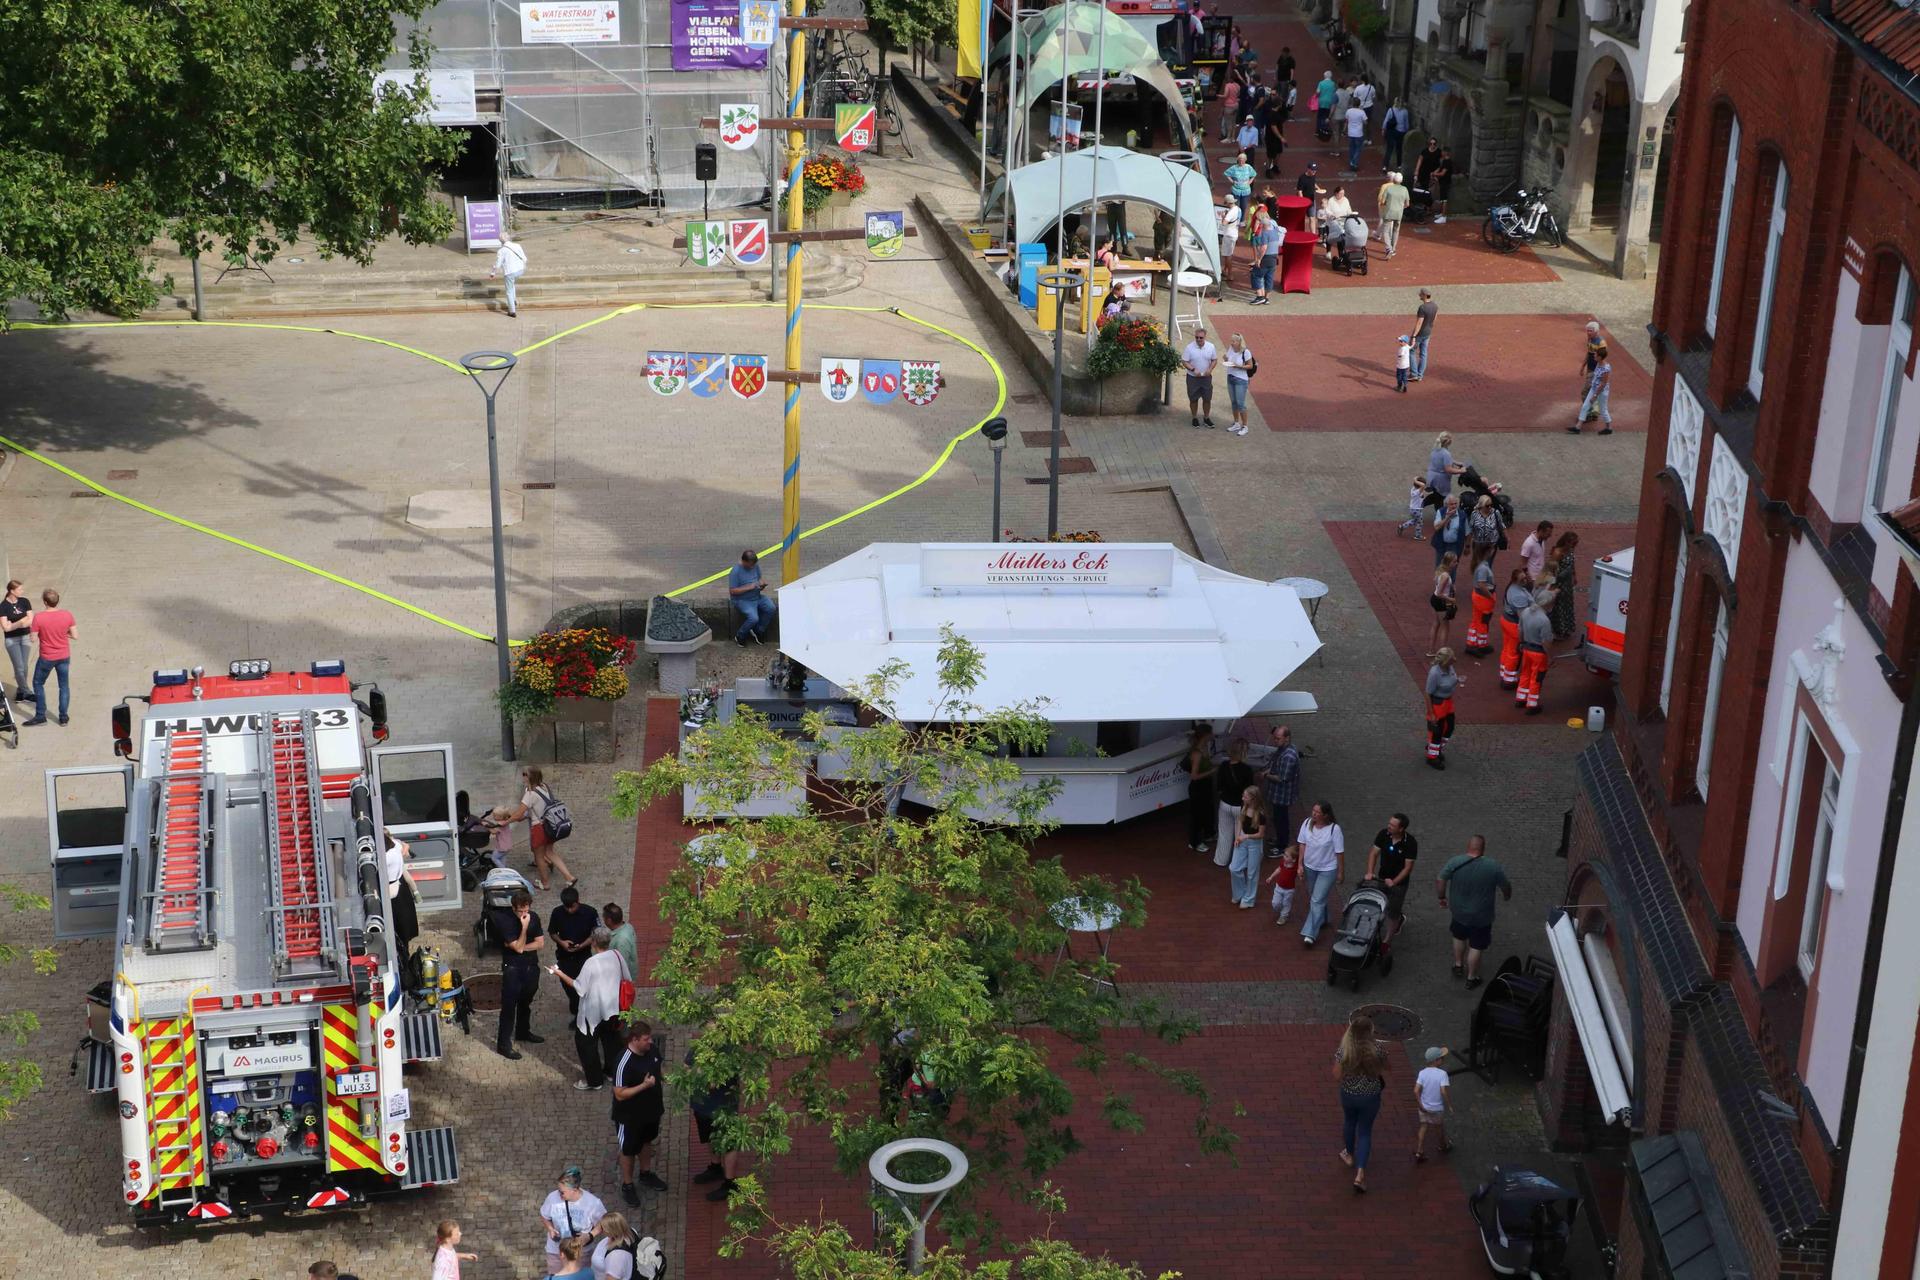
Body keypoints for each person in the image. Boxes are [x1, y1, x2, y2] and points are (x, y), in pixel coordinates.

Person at [553, 927, 627, 1090]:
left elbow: (579, 987)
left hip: (593, 1013)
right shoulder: (617, 956)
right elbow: (626, 978)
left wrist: (558, 973)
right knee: (611, 1042)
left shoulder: (591, 963)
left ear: (593, 942)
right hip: (613, 1008)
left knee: (586, 1046)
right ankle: (612, 1072)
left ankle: (594, 1081)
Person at [1437, 835, 1512, 988]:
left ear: (1468, 847)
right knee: (1476, 946)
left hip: (1459, 912)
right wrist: (1506, 896)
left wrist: (1442, 897)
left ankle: (1458, 965)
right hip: (1481, 915)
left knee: (1458, 937)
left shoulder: (1455, 862)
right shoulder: (1493, 866)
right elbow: (1505, 885)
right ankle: (1472, 978)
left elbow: (1440, 879)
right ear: (1483, 848)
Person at [612, 1021, 668, 1205]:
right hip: (629, 1117)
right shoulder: (624, 1061)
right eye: (646, 1039)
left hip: (651, 1111)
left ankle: (646, 1173)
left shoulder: (651, 1051)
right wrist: (644, 1086)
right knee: (628, 1150)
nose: (650, 1042)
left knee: (647, 1141)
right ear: (634, 1040)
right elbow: (619, 1094)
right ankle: (627, 1185)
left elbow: (659, 1070)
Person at [1333, 1012, 1389, 1192]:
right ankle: (1360, 1174)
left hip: (1349, 1094)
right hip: (1371, 1096)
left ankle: (1349, 1154)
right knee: (1365, 1131)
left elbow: (1336, 1076)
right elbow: (1387, 1067)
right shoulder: (1377, 1049)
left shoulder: (1344, 1051)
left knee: (1349, 1122)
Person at [493, 887, 547, 1059]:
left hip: (531, 966)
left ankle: (523, 1031)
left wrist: (521, 947)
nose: (524, 913)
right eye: (520, 910)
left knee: (526, 1001)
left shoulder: (534, 917)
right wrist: (524, 928)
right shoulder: (504, 920)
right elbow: (515, 946)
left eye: (526, 909)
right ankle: (504, 1044)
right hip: (513, 968)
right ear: (513, 908)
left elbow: (539, 943)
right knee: (509, 1007)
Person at [689, 1046, 747, 1202]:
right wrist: (697, 1074)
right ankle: (715, 1168)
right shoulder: (701, 1045)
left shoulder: (729, 1053)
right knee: (711, 1137)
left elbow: (711, 1084)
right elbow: (686, 1067)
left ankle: (730, 1183)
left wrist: (695, 1073)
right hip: (703, 1106)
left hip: (723, 1108)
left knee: (728, 1143)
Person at [509, 766, 577, 891]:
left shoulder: (530, 794)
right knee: (550, 852)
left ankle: (544, 883)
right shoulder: (544, 787)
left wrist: (506, 821)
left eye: (524, 774)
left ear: (529, 777)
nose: (522, 776)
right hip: (550, 825)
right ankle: (569, 877)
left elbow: (519, 813)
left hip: (539, 828)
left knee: (539, 856)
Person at [1293, 800, 1345, 947]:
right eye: (1313, 811)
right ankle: (1325, 917)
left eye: (1317, 812)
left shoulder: (1334, 830)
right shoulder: (1306, 823)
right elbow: (1302, 844)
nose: (1314, 814)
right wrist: (1300, 865)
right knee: (1315, 896)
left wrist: (1341, 872)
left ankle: (1310, 933)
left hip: (1327, 869)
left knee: (1316, 899)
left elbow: (1339, 852)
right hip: (1310, 867)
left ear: (1326, 815)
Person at [540, 1167, 607, 1275]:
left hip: (581, 1253)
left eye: (562, 1192)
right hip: (556, 1250)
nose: (559, 1195)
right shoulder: (552, 1198)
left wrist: (590, 1235)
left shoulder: (593, 1203)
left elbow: (604, 1223)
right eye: (558, 1190)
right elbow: (544, 1216)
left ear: (575, 1190)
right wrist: (550, 1229)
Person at [1364, 814, 1418, 948]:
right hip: (1381, 878)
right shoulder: (1383, 834)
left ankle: (1386, 941)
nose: (1389, 826)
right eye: (1389, 823)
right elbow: (1374, 853)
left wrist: (1394, 882)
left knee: (1392, 912)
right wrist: (1370, 872)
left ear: (1401, 829)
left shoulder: (1410, 843)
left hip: (1398, 884)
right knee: (1378, 905)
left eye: (1392, 825)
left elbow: (1408, 868)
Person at [23, 588, 74, 726]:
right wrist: (63, 634)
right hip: (64, 655)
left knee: (38, 683)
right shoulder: (67, 615)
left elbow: (33, 639)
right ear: (57, 601)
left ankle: (40, 715)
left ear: (45, 602)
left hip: (47, 657)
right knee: (64, 686)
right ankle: (63, 717)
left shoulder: (39, 617)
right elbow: (75, 635)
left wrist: (38, 633)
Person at [548, 887, 600, 1018]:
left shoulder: (590, 912)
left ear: (578, 901)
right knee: (568, 986)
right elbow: (552, 932)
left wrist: (581, 945)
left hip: (583, 956)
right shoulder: (557, 913)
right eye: (567, 907)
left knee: (585, 986)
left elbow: (595, 934)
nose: (570, 910)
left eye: (572, 907)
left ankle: (583, 1012)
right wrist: (562, 942)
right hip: (565, 956)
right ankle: (576, 1008)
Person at [1259, 724, 1300, 860]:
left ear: (1286, 738)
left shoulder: (1288, 756)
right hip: (1278, 794)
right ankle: (1280, 840)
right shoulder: (1284, 749)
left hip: (1282, 795)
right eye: (1275, 738)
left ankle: (1282, 846)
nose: (1275, 741)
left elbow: (1282, 779)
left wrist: (1265, 775)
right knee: (1278, 818)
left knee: (1281, 819)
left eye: (1278, 738)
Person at [1229, 785, 1270, 909]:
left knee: (1252, 873)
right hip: (1242, 839)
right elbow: (1240, 822)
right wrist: (1237, 837)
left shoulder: (1261, 815)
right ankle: (1239, 893)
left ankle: (1248, 899)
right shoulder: (1244, 807)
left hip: (1254, 843)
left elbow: (1260, 834)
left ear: (1252, 799)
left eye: (1245, 797)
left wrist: (1245, 836)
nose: (1242, 798)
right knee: (1234, 868)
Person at [1516, 590, 1555, 714]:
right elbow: (1546, 642)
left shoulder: (1526, 612)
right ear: (1547, 604)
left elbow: (1520, 630)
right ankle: (1532, 705)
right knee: (1536, 678)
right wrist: (1550, 657)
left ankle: (1520, 698)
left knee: (1525, 674)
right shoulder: (1544, 621)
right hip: (1539, 653)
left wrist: (1521, 643)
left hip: (1526, 649)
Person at [383, 831, 421, 952]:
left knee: (397, 924)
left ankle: (401, 952)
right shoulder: (396, 845)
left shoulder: (387, 856)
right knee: (403, 924)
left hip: (391, 892)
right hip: (401, 888)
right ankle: (404, 949)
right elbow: (404, 845)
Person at [1414, 1047, 1454, 1161]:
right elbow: (1443, 1091)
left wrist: (1420, 1104)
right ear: (1436, 1060)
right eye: (1441, 1057)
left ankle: (1419, 1151)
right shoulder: (1442, 1074)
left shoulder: (1422, 1073)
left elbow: (1416, 1091)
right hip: (1437, 1108)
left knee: (1423, 1126)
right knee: (1439, 1128)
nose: (1443, 1059)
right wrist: (1449, 1105)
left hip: (1424, 1107)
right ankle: (1443, 1146)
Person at [728, 549, 775, 645]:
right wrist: (749, 587)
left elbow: (759, 578)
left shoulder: (755, 566)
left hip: (756, 596)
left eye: (754, 564)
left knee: (771, 608)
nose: (752, 567)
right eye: (750, 565)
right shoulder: (735, 571)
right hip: (743, 600)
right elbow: (733, 591)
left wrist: (761, 584)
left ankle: (759, 630)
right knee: (753, 618)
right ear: (744, 561)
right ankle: (740, 635)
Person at [1498, 566, 1534, 689]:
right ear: (1516, 580)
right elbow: (1523, 617)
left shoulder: (1512, 588)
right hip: (1514, 625)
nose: (1525, 580)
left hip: (1506, 621)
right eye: (1523, 579)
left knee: (1507, 649)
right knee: (1514, 653)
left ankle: (1504, 673)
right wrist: (1523, 635)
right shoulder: (1519, 596)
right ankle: (1509, 680)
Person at [1424, 648, 1459, 769]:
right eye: (1452, 658)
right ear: (1445, 661)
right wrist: (1431, 713)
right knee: (1436, 732)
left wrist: (1457, 681)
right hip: (1438, 705)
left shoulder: (1450, 667)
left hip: (1448, 703)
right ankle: (1432, 757)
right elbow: (1428, 693)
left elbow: (1451, 680)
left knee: (1449, 727)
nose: (1455, 659)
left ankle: (1435, 748)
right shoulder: (1434, 673)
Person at [1185, 724, 1218, 855]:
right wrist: (1211, 771)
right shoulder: (1197, 753)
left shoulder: (1204, 748)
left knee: (1207, 810)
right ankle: (1195, 842)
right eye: (1211, 733)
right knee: (1197, 815)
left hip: (1205, 786)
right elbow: (1194, 776)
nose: (1212, 735)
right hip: (1198, 787)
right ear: (1205, 735)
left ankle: (1208, 834)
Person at [1570, 343, 1615, 435]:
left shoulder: (1606, 369)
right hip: (1594, 388)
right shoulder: (1598, 363)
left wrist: (1595, 396)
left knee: (1603, 409)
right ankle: (1578, 427)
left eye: (1596, 355)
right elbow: (1596, 377)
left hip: (1601, 392)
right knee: (1585, 406)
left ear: (1600, 357)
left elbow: (1603, 384)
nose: (1594, 356)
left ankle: (1609, 427)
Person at [0, 580, 32, 703]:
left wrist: (12, 625)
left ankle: (20, 690)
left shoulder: (25, 601)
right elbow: (5, 627)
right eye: (20, 589)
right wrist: (21, 621)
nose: (22, 591)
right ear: (11, 591)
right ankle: (27, 691)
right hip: (11, 640)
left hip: (25, 637)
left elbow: (31, 621)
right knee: (19, 667)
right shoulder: (3, 606)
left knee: (24, 666)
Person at [1182, 325, 1219, 428]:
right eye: (1197, 337)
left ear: (1205, 337)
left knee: (1207, 399)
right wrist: (1193, 369)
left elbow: (1214, 360)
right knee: (1193, 399)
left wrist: (1210, 369)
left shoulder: (1211, 347)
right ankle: (1194, 417)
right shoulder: (1189, 347)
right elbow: (1184, 361)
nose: (1198, 339)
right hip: (1193, 378)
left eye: (1201, 337)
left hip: (1206, 378)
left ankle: (1206, 418)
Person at [1548, 531, 1581, 639]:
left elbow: (1572, 564)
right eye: (1572, 544)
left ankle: (1567, 628)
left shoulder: (1570, 550)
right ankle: (1558, 631)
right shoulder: (1557, 553)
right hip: (1559, 582)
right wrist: (1553, 586)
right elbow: (1551, 570)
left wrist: (1574, 576)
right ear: (1566, 542)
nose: (1574, 546)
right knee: (1559, 607)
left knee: (1567, 605)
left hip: (1567, 583)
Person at [1466, 549, 1497, 657]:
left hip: (1480, 597)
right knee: (1482, 622)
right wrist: (1491, 596)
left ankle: (1477, 643)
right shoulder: (1483, 568)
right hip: (1483, 598)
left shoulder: (1481, 565)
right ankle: (1477, 645)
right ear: (1486, 553)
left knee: (1478, 621)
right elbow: (1482, 584)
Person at [1222, 333, 1255, 434]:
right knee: (1234, 402)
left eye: (1234, 341)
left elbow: (1250, 366)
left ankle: (1245, 426)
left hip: (1241, 379)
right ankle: (1236, 423)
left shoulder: (1246, 352)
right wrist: (1225, 359)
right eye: (1231, 341)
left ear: (1239, 342)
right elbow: (1228, 359)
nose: (1231, 343)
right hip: (1230, 377)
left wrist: (1238, 366)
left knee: (1240, 403)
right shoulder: (1231, 349)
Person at [491, 231, 528, 318]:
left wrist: (492, 273)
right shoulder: (517, 245)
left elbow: (498, 265)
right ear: (508, 238)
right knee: (512, 284)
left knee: (509, 291)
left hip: (510, 272)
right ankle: (514, 300)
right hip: (520, 270)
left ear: (501, 241)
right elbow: (525, 258)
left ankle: (512, 311)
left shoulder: (501, 251)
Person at [1264, 832, 1300, 924]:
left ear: (1293, 859)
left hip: (1289, 890)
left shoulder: (1296, 867)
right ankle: (1279, 909)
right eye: (1284, 855)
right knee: (1275, 903)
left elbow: (1300, 872)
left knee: (1286, 903)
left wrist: (1301, 875)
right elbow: (1278, 869)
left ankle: (1283, 916)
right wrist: (1271, 877)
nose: (1284, 857)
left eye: (1287, 856)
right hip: (1279, 886)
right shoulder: (1283, 863)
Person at [1249, 209, 1281, 305]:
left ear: (1262, 225)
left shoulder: (1265, 234)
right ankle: (1266, 298)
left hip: (1266, 257)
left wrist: (1258, 259)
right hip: (1274, 257)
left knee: (1256, 274)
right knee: (1269, 277)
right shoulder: (1275, 232)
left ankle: (1260, 297)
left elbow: (1264, 247)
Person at [1428, 554, 1458, 656]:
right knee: (1445, 626)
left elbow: (1437, 585)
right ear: (1449, 563)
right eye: (1454, 561)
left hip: (1434, 599)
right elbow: (1440, 593)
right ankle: (1442, 653)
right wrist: (1451, 599)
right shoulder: (1446, 575)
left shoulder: (1440, 571)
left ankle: (1431, 650)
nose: (1456, 563)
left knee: (1436, 624)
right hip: (1440, 601)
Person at [604, 902, 640, 984]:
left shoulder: (621, 940)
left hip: (622, 981)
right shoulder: (628, 926)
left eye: (604, 917)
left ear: (609, 920)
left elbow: (622, 965)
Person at [1431, 495, 1468, 571]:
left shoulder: (1462, 515)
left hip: (1455, 545)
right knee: (1440, 566)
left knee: (1452, 567)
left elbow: (1467, 532)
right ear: (1447, 504)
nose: (1454, 506)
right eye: (1451, 504)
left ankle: (1451, 582)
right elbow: (1436, 527)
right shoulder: (1441, 512)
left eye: (1455, 504)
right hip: (1441, 544)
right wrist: (1447, 517)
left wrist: (1468, 546)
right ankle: (1439, 582)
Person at [1377, 171, 1409, 258]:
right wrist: (1401, 208)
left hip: (1389, 212)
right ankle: (1393, 249)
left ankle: (1388, 248)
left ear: (1393, 180)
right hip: (1399, 214)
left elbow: (1382, 201)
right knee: (1396, 231)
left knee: (1386, 231)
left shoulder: (1389, 188)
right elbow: (1407, 204)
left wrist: (1386, 205)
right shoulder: (1404, 189)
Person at [1411, 288, 1438, 381]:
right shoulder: (1435, 306)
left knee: (1411, 352)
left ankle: (1414, 374)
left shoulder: (1422, 308)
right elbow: (1434, 319)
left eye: (1421, 294)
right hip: (1428, 332)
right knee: (1423, 354)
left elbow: (1419, 323)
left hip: (1420, 334)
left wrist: (1414, 335)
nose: (1419, 295)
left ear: (1424, 295)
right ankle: (1420, 375)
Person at [1224, 151, 1257, 220]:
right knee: (1235, 206)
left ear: (1245, 160)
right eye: (1240, 160)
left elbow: (1254, 174)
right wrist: (1232, 181)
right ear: (1238, 160)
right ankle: (1235, 219)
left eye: (1243, 160)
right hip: (1236, 190)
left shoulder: (1248, 167)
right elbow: (1226, 173)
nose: (1241, 162)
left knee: (1244, 206)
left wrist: (1250, 181)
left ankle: (1242, 219)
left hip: (1246, 190)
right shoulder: (1234, 167)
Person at [1216, 199, 1242, 287]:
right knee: (1227, 254)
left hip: (1228, 235)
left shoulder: (1230, 213)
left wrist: (1223, 216)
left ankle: (1230, 274)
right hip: (1234, 233)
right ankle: (1225, 270)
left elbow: (1224, 223)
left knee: (1227, 255)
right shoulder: (1238, 209)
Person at [1296, 161, 1325, 234]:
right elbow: (1299, 191)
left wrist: (1318, 188)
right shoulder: (1302, 178)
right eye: (1312, 170)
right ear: (1308, 169)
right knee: (1300, 220)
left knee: (1312, 218)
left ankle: (1313, 234)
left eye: (1315, 170)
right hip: (1303, 202)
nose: (1314, 171)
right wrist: (1302, 202)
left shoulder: (1313, 175)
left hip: (1311, 201)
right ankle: (1299, 233)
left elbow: (1314, 183)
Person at [1382, 98, 1411, 170]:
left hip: (1391, 132)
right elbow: (1406, 124)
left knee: (1389, 149)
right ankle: (1399, 165)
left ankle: (1385, 166)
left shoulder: (1391, 110)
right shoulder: (1405, 111)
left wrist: (1383, 129)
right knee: (1399, 149)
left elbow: (1386, 121)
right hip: (1401, 132)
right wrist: (1406, 131)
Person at [1430, 148, 1454, 223]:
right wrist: (1434, 172)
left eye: (1442, 152)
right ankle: (1441, 213)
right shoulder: (1444, 161)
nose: (1441, 153)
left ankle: (1444, 217)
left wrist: (1434, 174)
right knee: (1442, 198)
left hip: (1445, 183)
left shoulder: (1447, 162)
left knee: (1444, 199)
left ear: (1445, 152)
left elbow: (1443, 173)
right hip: (1442, 182)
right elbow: (1439, 168)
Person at [1344, 98, 1368, 173]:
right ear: (1359, 104)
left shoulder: (1348, 111)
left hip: (1350, 133)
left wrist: (1344, 130)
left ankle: (1351, 162)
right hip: (1358, 133)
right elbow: (1365, 122)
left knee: (1351, 148)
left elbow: (1346, 121)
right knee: (1358, 149)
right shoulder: (1362, 112)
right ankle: (1354, 163)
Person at [1263, 106, 1287, 176]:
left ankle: (1274, 166)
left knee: (1278, 152)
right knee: (1270, 155)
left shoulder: (1278, 113)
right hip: (1270, 138)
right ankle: (1268, 170)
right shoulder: (1272, 114)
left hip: (1277, 138)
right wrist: (1281, 138)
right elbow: (1273, 127)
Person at [1314, 70, 1338, 138]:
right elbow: (1335, 93)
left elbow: (1318, 92)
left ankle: (1318, 131)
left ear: (1324, 76)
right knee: (1327, 116)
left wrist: (1316, 96)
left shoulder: (1321, 83)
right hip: (1329, 102)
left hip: (1321, 102)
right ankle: (1325, 129)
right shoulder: (1333, 84)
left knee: (1319, 117)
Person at [1217, 76, 1241, 141]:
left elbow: (1225, 95)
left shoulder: (1227, 85)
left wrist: (1219, 95)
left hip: (1229, 106)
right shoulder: (1237, 85)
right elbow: (1238, 95)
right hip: (1236, 105)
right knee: (1233, 122)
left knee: (1228, 122)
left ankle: (1228, 137)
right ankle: (1233, 138)